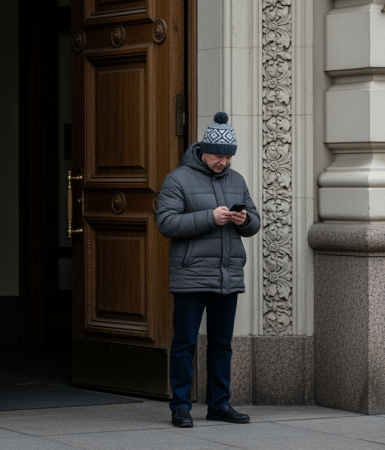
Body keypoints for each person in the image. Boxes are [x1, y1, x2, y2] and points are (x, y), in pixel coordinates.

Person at [156, 112, 260, 428]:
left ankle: (219, 404)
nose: (223, 163)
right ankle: (180, 407)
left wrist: (245, 221)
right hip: (191, 276)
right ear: (203, 149)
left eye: (228, 157)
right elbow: (166, 223)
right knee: (185, 342)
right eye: (218, 156)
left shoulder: (237, 180)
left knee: (221, 345)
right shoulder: (177, 179)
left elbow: (254, 221)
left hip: (227, 274)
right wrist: (209, 218)